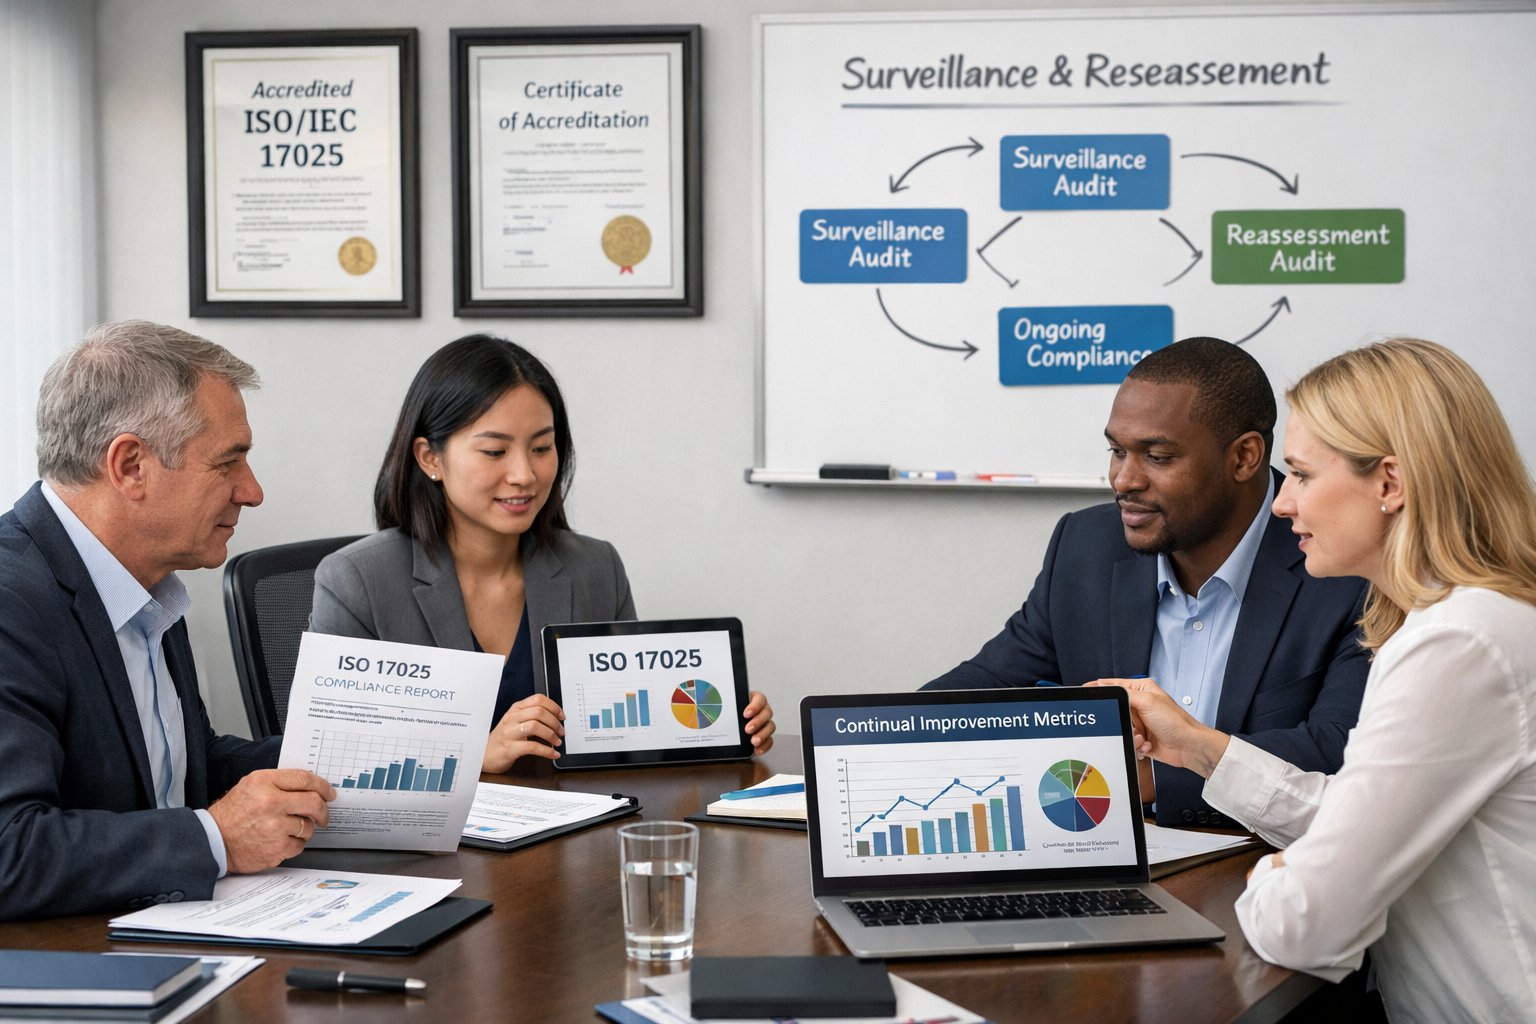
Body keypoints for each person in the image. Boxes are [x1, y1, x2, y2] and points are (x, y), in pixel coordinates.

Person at [1099, 339, 1536, 1021]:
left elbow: (1306, 924)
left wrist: (1277, 871)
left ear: (1390, 484)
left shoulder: (1456, 646)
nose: (1280, 503)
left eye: (1300, 474)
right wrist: (1199, 749)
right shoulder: (1470, 621)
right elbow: (1367, 811)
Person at [924, 337, 1369, 826]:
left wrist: (1152, 777)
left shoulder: (1344, 557)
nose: (1124, 480)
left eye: (1157, 457)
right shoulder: (1086, 545)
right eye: (1117, 451)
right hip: (1110, 857)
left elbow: (1339, 751)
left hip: (1271, 869)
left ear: (1244, 457)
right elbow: (988, 684)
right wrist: (882, 737)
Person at [311, 335, 776, 772]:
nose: (524, 475)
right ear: (431, 458)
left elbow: (633, 731)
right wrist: (475, 753)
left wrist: (716, 724)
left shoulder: (595, 568)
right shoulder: (357, 581)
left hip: (565, 842)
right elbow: (331, 756)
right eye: (495, 452)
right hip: (424, 849)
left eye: (542, 447)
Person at [0, 321, 336, 921]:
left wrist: (363, 755)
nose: (252, 492)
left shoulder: (145, 573)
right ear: (130, 466)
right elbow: (10, 853)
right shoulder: (10, 600)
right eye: (228, 463)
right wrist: (217, 838)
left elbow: (183, 767)